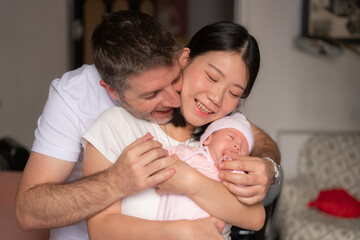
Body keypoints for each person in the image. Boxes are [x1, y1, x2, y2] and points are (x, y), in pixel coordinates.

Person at [15, 10, 280, 240]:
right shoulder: (100, 113)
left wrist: (269, 167)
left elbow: (255, 212)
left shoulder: (219, 127)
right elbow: (35, 213)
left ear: (181, 59)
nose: (172, 98)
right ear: (113, 92)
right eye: (151, 94)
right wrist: (115, 183)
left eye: (174, 80)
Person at [81, 20, 269, 239]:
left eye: (234, 93)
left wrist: (189, 181)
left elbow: (255, 218)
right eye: (211, 77)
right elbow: (100, 229)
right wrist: (182, 232)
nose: (216, 98)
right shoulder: (117, 125)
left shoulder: (225, 141)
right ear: (185, 59)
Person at [157, 111, 257, 238]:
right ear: (208, 139)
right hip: (169, 228)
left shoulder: (235, 176)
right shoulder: (188, 153)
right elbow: (161, 158)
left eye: (244, 149)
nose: (237, 146)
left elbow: (246, 199)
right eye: (231, 137)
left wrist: (234, 170)